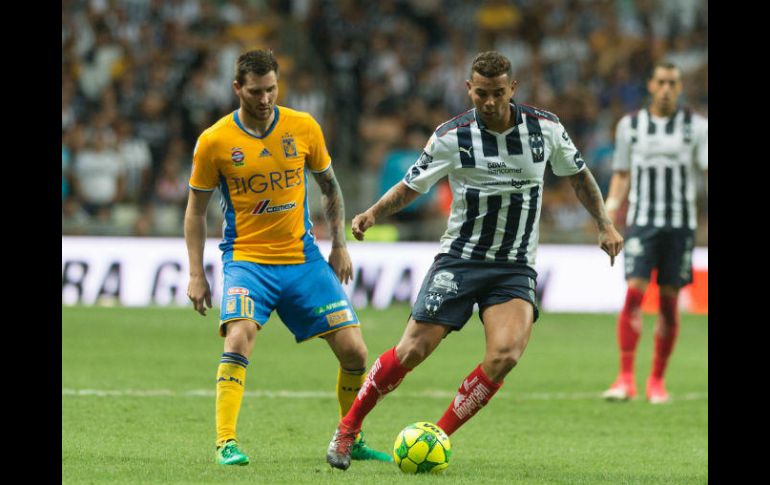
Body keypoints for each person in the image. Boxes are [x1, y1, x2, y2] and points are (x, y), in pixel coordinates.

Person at [326, 51, 624, 470]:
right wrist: (373, 213)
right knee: (412, 350)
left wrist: (604, 224)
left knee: (505, 355)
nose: (489, 101)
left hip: (514, 266)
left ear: (512, 88)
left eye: (498, 93)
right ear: (469, 89)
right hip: (460, 260)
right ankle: (348, 428)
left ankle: (437, 435)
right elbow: (412, 185)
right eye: (481, 93)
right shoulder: (452, 136)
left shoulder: (545, 129)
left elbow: (578, 176)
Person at [184, 49, 391, 466]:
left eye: (271, 90)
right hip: (247, 260)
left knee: (355, 351)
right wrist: (196, 273)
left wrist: (339, 245)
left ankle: (352, 436)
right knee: (238, 336)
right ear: (237, 88)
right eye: (255, 91)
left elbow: (330, 188)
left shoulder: (303, 127)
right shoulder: (214, 141)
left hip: (303, 259)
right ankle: (226, 442)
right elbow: (195, 211)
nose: (265, 99)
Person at [602, 62, 708, 404]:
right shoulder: (630, 126)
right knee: (634, 293)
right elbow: (621, 173)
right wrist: (610, 209)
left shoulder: (697, 127)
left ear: (680, 88)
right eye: (661, 82)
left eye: (672, 83)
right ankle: (625, 378)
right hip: (642, 222)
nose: (666, 89)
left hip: (680, 225)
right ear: (650, 84)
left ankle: (657, 381)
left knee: (668, 301)